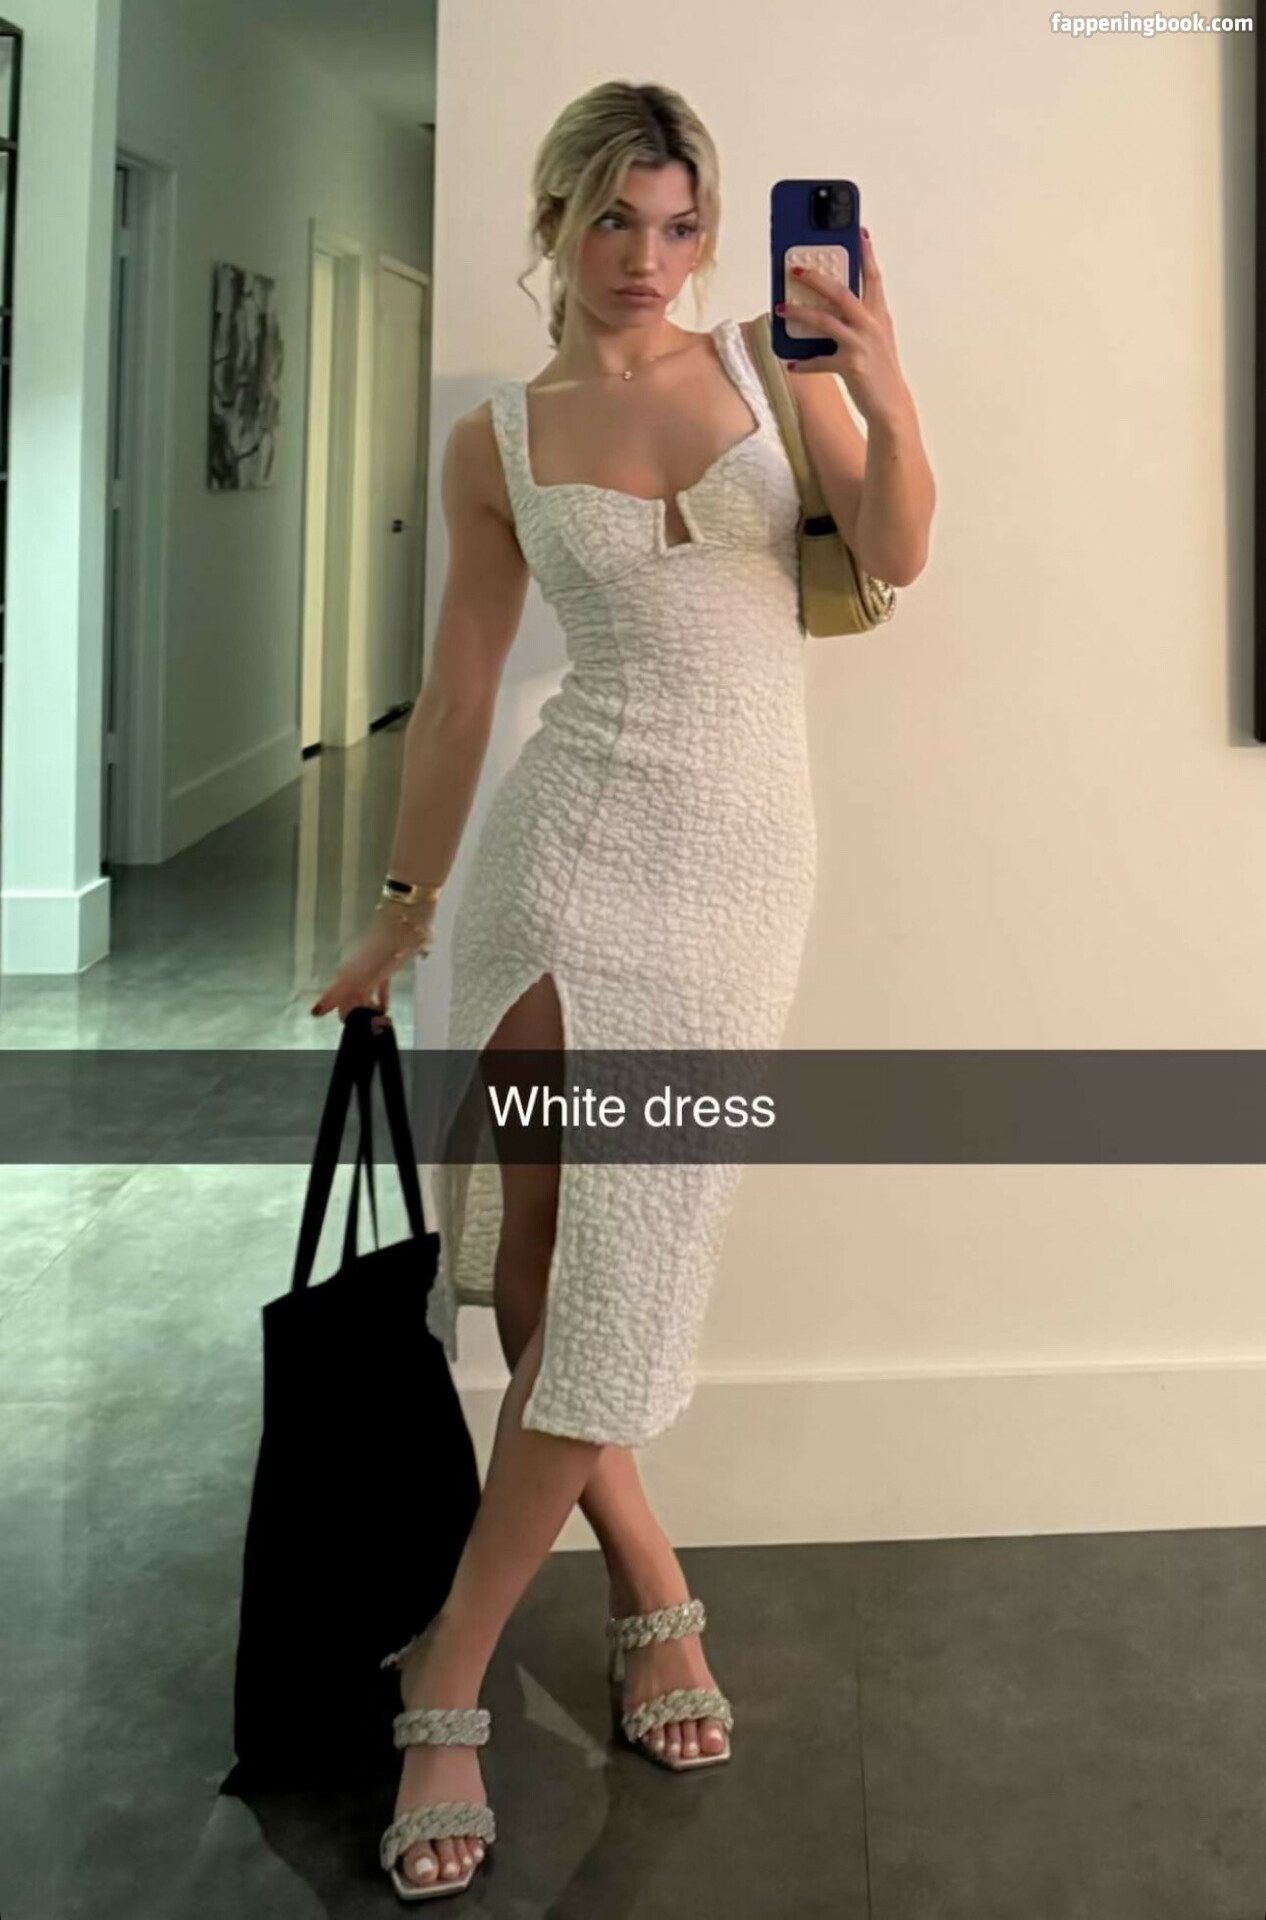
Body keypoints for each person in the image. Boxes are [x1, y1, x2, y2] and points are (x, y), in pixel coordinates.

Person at [311, 77, 935, 1904]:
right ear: (555, 221)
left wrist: (884, 379)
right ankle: (652, 1592)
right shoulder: (498, 438)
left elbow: (893, 554)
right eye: (610, 220)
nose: (644, 258)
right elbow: (458, 692)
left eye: (676, 225)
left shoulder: (769, 369)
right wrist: (402, 911)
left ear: (709, 236)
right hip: (557, 854)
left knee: (633, 1263)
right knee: (535, 1267)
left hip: (734, 879)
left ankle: (446, 1668)